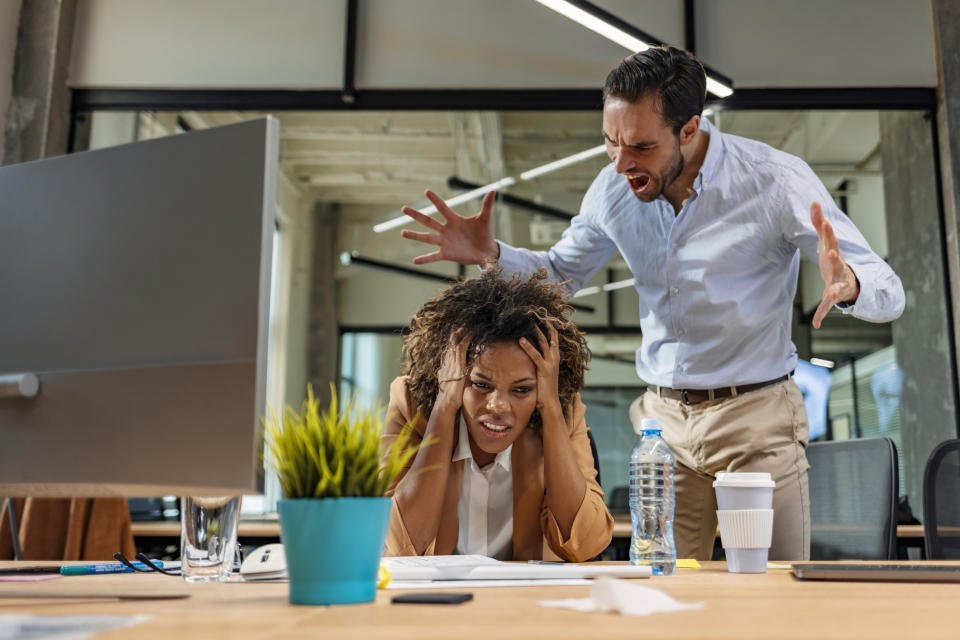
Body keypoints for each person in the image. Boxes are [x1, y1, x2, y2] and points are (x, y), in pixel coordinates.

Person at [397, 46, 905, 562]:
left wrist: (852, 286)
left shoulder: (774, 181)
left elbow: (891, 292)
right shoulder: (612, 188)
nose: (621, 163)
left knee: (773, 591)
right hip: (664, 429)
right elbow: (560, 276)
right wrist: (491, 253)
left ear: (689, 130)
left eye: (639, 145)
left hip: (756, 419)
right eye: (610, 141)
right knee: (664, 590)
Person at [380, 267, 613, 562]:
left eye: (521, 390)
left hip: (523, 602)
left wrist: (551, 410)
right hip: (438, 601)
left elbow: (586, 545)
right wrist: (444, 407)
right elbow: (397, 546)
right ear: (451, 373)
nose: (498, 406)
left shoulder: (562, 410)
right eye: (480, 384)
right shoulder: (412, 405)